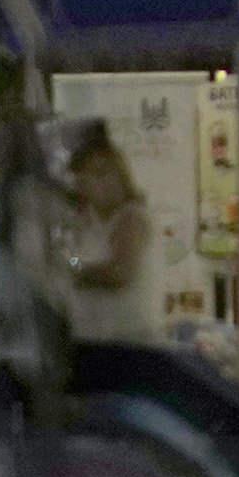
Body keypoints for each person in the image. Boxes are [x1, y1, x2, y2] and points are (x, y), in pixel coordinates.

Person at [50, 128, 153, 344]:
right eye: (87, 176)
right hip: (88, 338)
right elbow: (65, 258)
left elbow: (120, 273)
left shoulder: (131, 217)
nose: (102, 183)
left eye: (105, 172)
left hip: (125, 342)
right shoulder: (83, 221)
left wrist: (73, 267)